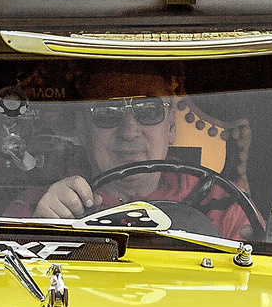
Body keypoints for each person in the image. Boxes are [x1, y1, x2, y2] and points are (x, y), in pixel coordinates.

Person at [20, 70, 251, 239]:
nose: (129, 132)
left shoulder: (223, 203)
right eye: (107, 112)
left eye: (148, 110)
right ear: (82, 129)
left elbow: (255, 286)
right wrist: (41, 232)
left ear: (171, 127)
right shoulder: (44, 206)